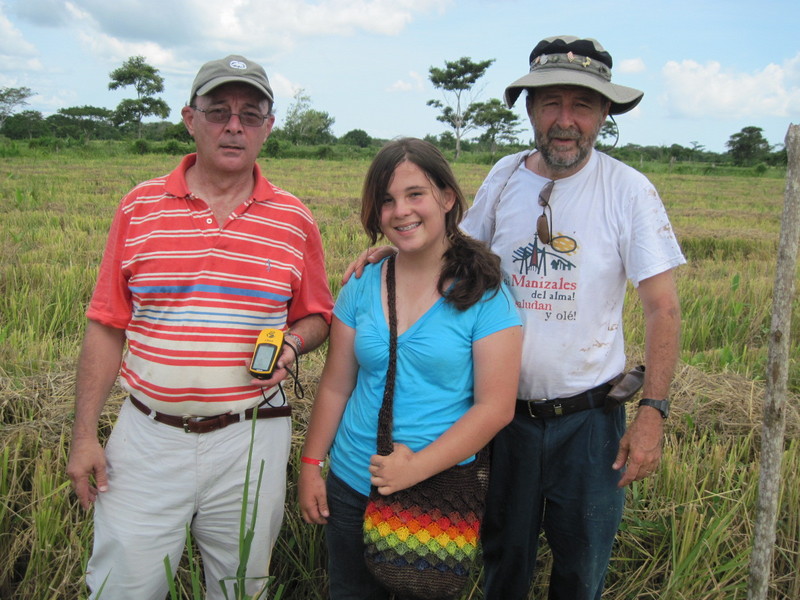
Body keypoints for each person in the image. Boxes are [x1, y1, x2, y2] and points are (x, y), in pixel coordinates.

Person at [346, 36, 685, 600]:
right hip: (504, 423)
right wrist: (395, 248)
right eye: (550, 103)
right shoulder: (505, 177)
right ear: (530, 109)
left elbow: (663, 308)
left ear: (604, 114)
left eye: (582, 105)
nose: (565, 120)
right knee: (504, 562)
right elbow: (455, 251)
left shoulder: (629, 191)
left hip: (588, 421)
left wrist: (652, 412)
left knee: (580, 569)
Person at [66, 54, 334, 600]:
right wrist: (83, 435)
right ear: (190, 118)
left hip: (252, 436)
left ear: (268, 128)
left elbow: (316, 316)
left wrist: (292, 341)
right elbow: (106, 324)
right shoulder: (139, 207)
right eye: (218, 111)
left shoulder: (294, 219)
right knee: (121, 587)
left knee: (241, 587)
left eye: (250, 114)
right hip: (145, 438)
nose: (234, 125)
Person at [298, 138, 522, 599]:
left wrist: (415, 468)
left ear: (447, 197)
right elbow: (337, 386)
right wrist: (311, 464)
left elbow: (495, 408)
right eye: (386, 200)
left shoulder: (486, 294)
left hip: (437, 492)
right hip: (351, 485)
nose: (401, 211)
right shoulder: (361, 284)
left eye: (415, 194)